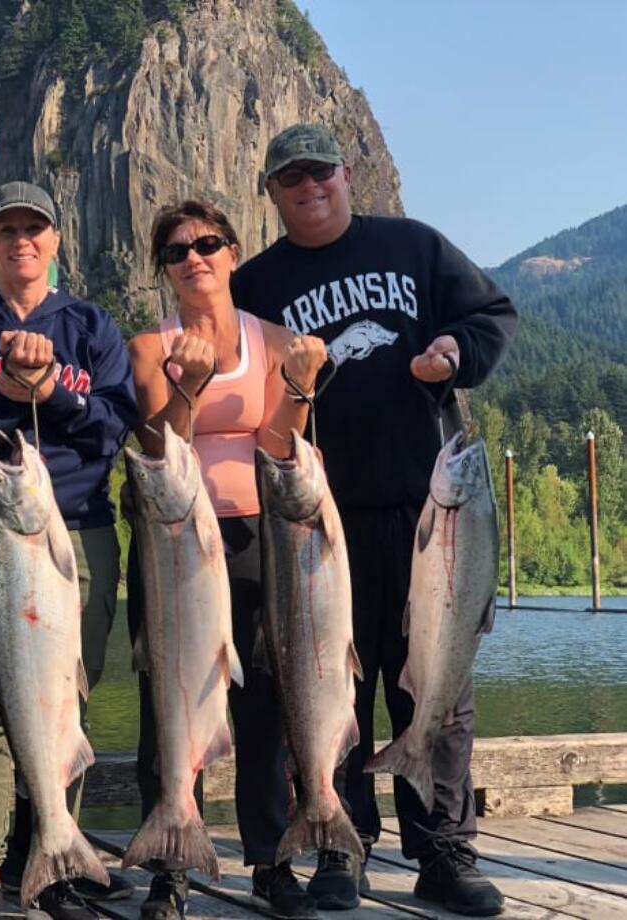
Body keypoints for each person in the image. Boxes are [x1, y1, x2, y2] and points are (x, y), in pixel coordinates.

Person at [231, 123, 517, 917]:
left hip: (432, 511)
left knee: (439, 683)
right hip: (320, 526)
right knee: (332, 687)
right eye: (291, 179)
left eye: (321, 172)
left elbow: (494, 313)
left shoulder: (414, 246)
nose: (309, 187)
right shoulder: (255, 284)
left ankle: (446, 850)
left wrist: (455, 351)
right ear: (274, 194)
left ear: (347, 174)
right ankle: (339, 842)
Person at [0, 181, 138, 920]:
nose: (22, 241)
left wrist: (53, 387)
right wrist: (16, 387)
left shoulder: (92, 326)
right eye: (7, 229)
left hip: (77, 533)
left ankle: (60, 852)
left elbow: (111, 429)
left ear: (56, 240)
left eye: (35, 229)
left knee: (66, 702)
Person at [125, 201, 328, 920]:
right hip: (174, 539)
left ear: (233, 251)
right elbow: (160, 447)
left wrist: (300, 384)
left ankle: (270, 864)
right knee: (170, 698)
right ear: (165, 268)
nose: (194, 257)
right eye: (177, 250)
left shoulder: (272, 340)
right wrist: (188, 388)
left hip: (259, 538)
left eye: (207, 243)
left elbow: (280, 443)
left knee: (265, 704)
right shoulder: (153, 346)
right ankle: (169, 865)